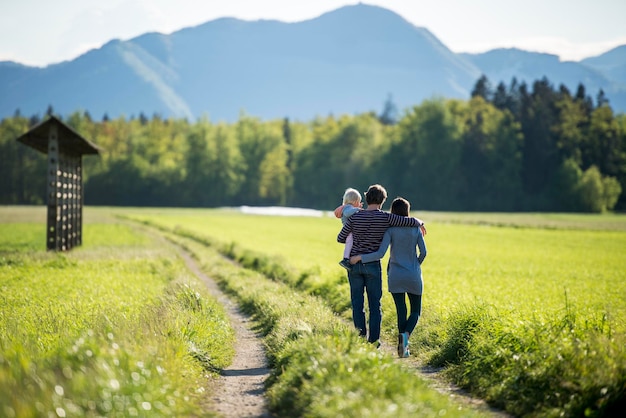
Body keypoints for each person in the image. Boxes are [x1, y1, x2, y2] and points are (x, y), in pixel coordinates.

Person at [336, 184, 425, 347]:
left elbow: (341, 237)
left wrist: (355, 239)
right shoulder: (386, 217)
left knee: (357, 303)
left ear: (367, 198)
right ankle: (374, 341)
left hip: (354, 264)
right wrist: (420, 222)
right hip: (372, 265)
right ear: (383, 201)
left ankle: (360, 338)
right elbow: (407, 221)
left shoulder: (356, 217)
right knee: (375, 305)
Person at [334, 188, 363, 271]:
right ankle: (345, 259)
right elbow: (348, 213)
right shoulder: (348, 208)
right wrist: (358, 209)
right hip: (349, 232)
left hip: (348, 230)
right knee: (349, 243)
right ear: (354, 201)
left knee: (349, 243)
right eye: (358, 202)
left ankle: (346, 258)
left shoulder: (347, 207)